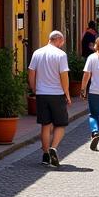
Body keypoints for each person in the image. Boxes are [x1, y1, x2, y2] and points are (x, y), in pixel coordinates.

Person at [28, 31, 71, 167]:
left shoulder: (37, 53)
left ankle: (45, 154)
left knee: (45, 125)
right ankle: (53, 147)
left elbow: (31, 74)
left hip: (42, 94)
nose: (62, 44)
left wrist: (35, 89)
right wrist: (67, 94)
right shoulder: (61, 55)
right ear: (58, 40)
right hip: (57, 94)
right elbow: (64, 76)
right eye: (62, 41)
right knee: (60, 124)